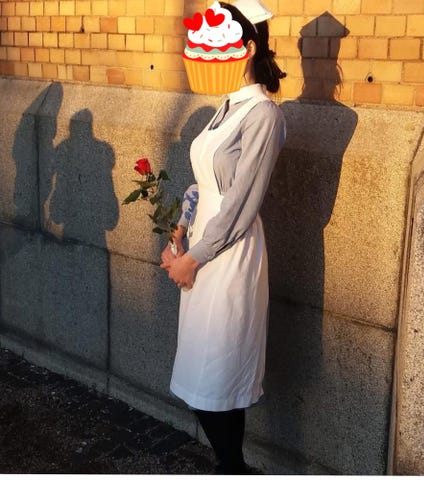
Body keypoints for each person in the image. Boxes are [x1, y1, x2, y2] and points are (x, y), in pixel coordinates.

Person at [160, 0, 286, 474]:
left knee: (219, 371)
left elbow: (241, 202)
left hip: (229, 253)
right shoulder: (226, 108)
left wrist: (194, 257)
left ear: (247, 48)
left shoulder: (264, 115)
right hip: (200, 246)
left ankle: (232, 467)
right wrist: (179, 229)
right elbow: (204, 185)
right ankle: (231, 466)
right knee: (201, 370)